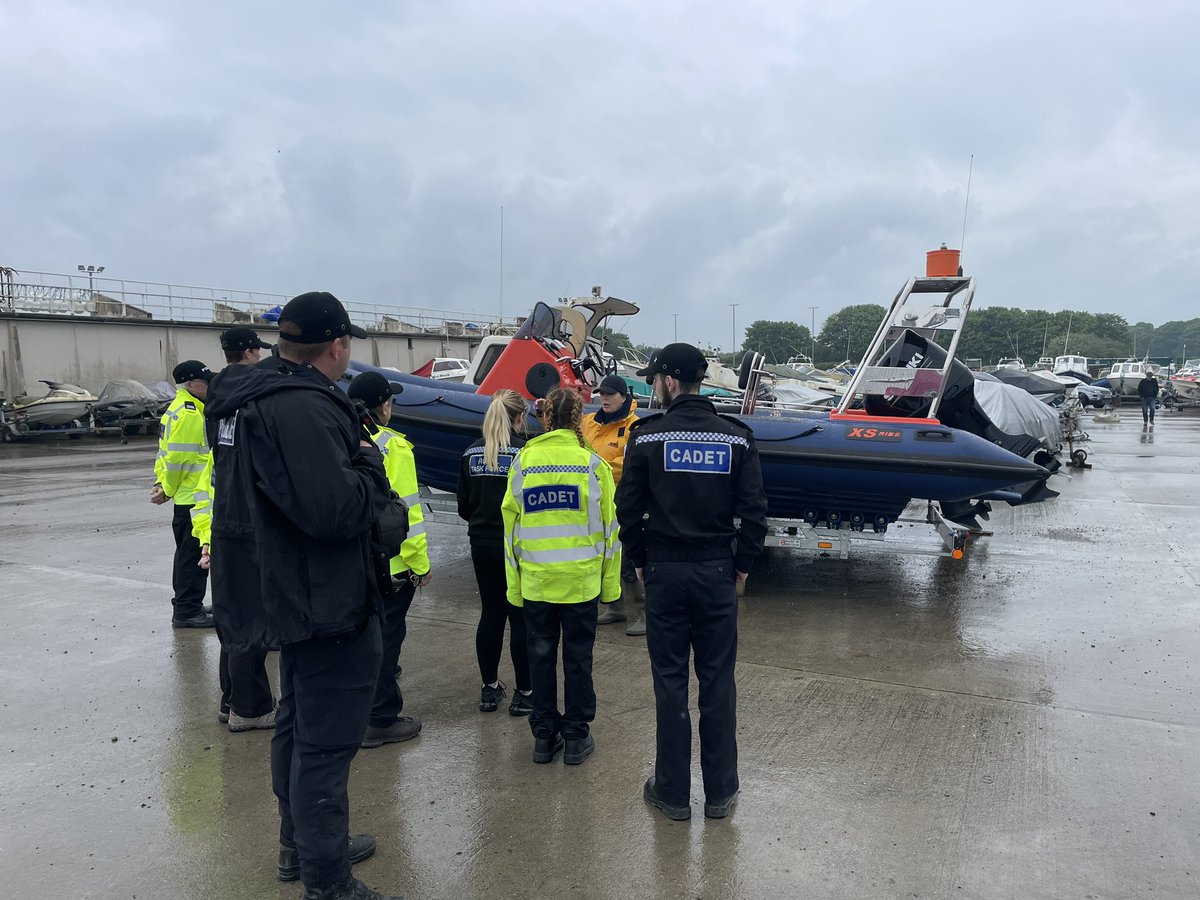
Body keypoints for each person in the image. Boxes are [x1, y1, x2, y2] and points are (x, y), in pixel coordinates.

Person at [203, 291, 402, 900]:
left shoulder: (247, 396)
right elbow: (335, 512)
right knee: (325, 741)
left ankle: (302, 843)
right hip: (323, 597)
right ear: (337, 345)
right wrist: (370, 468)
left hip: (281, 586)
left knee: (296, 720)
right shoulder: (300, 409)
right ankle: (327, 880)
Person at [617, 343, 768, 821]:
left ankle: (673, 793)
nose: (653, 388)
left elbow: (626, 509)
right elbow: (755, 512)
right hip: (716, 574)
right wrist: (740, 565)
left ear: (669, 382)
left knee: (670, 682)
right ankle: (721, 794)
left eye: (654, 381)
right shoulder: (737, 439)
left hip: (665, 573)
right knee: (718, 681)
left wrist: (640, 559)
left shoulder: (646, 438)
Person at [501, 387, 620, 765]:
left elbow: (511, 529)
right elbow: (610, 531)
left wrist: (514, 587)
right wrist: (610, 585)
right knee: (578, 660)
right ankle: (575, 737)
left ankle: (543, 736)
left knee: (540, 658)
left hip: (537, 581)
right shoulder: (593, 466)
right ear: (577, 419)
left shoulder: (523, 463)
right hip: (580, 583)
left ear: (545, 417)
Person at [192, 338, 277, 734]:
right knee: (252, 620)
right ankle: (251, 706)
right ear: (249, 353)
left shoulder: (218, 397)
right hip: (251, 517)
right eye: (256, 350)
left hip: (225, 513)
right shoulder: (255, 391)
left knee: (234, 615)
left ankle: (232, 699)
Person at [348, 371, 430, 749]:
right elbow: (406, 512)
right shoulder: (394, 448)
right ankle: (381, 718)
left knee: (359, 640)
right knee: (387, 641)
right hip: (391, 566)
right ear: (383, 406)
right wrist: (420, 563)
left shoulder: (338, 438)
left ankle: (356, 710)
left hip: (352, 563)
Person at [456, 389, 533, 715]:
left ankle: (489, 689)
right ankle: (525, 692)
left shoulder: (471, 454)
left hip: (481, 544)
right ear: (518, 418)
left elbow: (464, 506)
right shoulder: (524, 455)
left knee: (490, 613)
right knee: (520, 618)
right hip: (515, 545)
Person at [150, 360, 215, 628]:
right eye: (205, 383)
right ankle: (188, 611)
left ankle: (187, 604)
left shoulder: (177, 409)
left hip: (184, 496)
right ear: (190, 385)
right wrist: (167, 488)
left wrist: (161, 482)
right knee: (193, 557)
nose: (209, 387)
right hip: (192, 497)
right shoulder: (190, 415)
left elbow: (164, 455)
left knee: (185, 555)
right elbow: (179, 459)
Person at [581, 374, 644, 631]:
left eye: (610, 394)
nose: (604, 398)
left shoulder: (634, 426)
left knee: (627, 556)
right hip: (593, 496)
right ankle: (615, 607)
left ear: (623, 396)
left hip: (620, 497)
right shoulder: (588, 422)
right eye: (601, 393)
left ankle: (643, 613)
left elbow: (628, 465)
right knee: (603, 553)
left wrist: (597, 469)